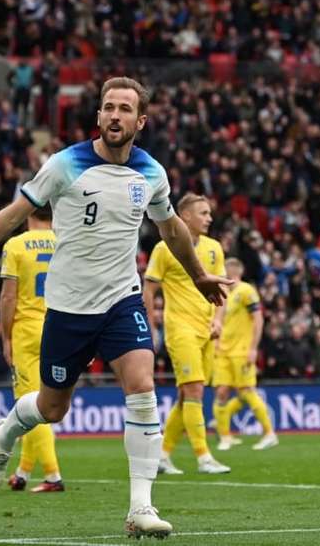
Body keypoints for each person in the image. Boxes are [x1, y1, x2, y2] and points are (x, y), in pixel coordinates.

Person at [0, 77, 232, 538]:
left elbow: (173, 229)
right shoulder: (65, 165)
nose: (115, 116)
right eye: (108, 108)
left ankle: (140, 507)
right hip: (67, 308)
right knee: (52, 407)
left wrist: (199, 274)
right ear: (98, 116)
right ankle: (7, 429)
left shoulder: (152, 174)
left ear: (140, 121)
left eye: (124, 109)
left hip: (122, 300)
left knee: (142, 385)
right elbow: (11, 215)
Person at [143, 192, 230, 475]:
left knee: (187, 395)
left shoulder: (215, 248)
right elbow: (150, 289)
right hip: (180, 329)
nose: (209, 218)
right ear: (186, 217)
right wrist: (151, 326)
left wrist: (218, 320)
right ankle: (204, 457)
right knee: (193, 390)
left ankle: (162, 456)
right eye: (203, 213)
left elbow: (221, 289)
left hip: (207, 330)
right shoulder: (164, 248)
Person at [0, 203, 65, 493]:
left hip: (27, 331)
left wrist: (5, 337)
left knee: (31, 404)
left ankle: (52, 476)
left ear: (28, 214)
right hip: (60, 327)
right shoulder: (65, 239)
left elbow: (7, 297)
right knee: (42, 400)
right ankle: (24, 471)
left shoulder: (15, 245)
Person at [214, 258, 278, 451]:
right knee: (222, 392)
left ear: (233, 273)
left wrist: (253, 348)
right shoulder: (225, 294)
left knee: (247, 392)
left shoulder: (246, 291)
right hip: (223, 351)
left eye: (225, 272)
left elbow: (258, 321)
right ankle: (225, 437)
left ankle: (269, 433)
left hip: (241, 351)